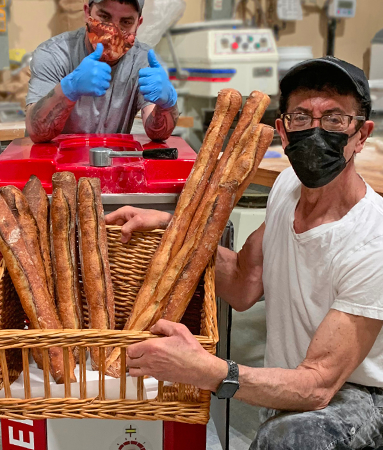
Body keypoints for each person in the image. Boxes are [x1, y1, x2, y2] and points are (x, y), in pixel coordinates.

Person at [107, 57, 383, 449]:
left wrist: (212, 371)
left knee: (291, 438)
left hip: (358, 391)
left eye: (335, 119)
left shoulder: (373, 241)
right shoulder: (288, 187)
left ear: (361, 133)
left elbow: (320, 385)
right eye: (302, 117)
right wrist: (172, 226)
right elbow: (242, 283)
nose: (316, 131)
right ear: (283, 133)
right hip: (294, 379)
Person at [25, 0, 179, 143]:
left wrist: (167, 104)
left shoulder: (144, 61)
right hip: (56, 166)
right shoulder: (54, 54)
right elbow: (37, 132)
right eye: (104, 17)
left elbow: (158, 134)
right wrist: (68, 89)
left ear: (138, 25)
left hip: (113, 164)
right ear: (87, 13)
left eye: (126, 22)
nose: (112, 33)